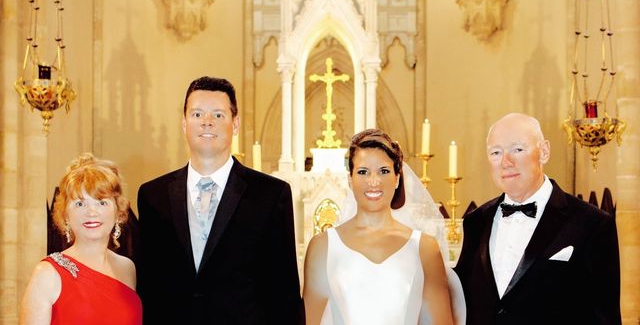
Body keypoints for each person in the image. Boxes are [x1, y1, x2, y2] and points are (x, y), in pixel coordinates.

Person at [137, 76, 302, 324]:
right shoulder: (152, 195)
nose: (206, 122)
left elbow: (283, 292)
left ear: (235, 124)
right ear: (184, 124)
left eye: (218, 115)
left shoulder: (270, 194)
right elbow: (148, 286)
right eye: (197, 114)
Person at [454, 113, 621, 324]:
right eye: (496, 152)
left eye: (518, 149)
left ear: (544, 152)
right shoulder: (474, 222)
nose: (506, 162)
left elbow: (604, 318)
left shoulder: (592, 224)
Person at [303, 129, 455, 325]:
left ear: (397, 178)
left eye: (383, 171)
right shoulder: (323, 246)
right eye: (363, 172)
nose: (373, 181)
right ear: (350, 179)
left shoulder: (425, 248)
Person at [20, 153, 141, 325]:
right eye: (80, 204)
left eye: (101, 202)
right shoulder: (47, 274)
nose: (91, 212)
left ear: (118, 212)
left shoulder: (127, 268)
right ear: (66, 215)